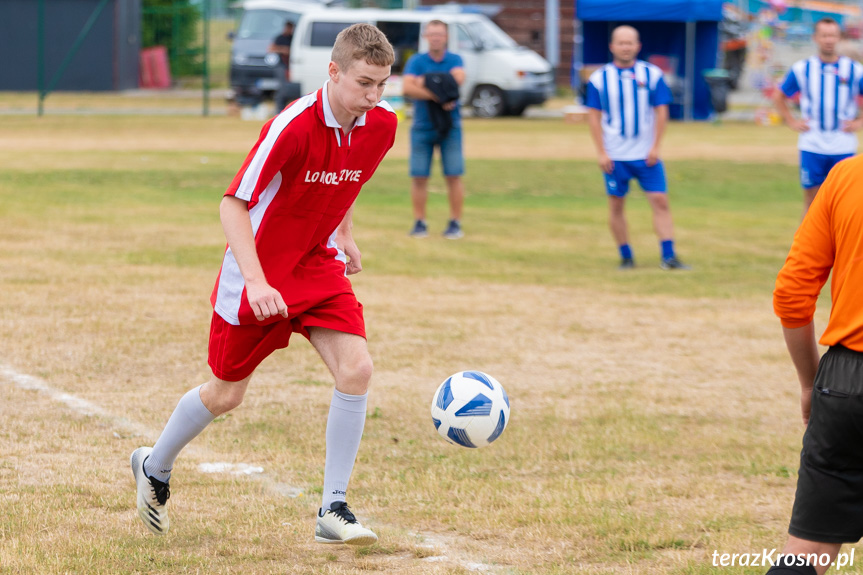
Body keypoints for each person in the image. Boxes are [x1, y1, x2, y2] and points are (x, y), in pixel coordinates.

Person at [130, 23, 398, 547]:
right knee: (226, 394)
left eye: (383, 84)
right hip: (258, 276)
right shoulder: (291, 127)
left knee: (357, 369)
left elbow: (351, 180)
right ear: (334, 71)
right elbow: (233, 204)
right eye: (364, 82)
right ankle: (154, 465)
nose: (373, 96)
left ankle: (333, 508)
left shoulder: (381, 125)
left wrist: (344, 235)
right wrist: (254, 281)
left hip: (317, 267)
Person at [769, 154, 863, 575]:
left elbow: (792, 292)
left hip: (846, 381)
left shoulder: (847, 175)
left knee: (806, 550)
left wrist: (811, 382)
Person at [585, 25, 689, 270]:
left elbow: (661, 111)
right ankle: (626, 256)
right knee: (617, 204)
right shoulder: (599, 79)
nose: (625, 47)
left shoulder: (652, 75)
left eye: (630, 42)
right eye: (621, 43)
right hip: (615, 155)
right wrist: (601, 151)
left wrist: (655, 146)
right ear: (612, 46)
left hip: (645, 155)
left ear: (638, 46)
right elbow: (593, 116)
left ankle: (668, 256)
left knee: (660, 201)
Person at [773, 17, 863, 218]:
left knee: (844, 202)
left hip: (843, 144)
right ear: (816, 38)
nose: (828, 40)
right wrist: (791, 120)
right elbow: (779, 96)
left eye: (832, 35)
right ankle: (809, 248)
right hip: (812, 143)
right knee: (812, 202)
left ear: (839, 38)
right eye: (824, 35)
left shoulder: (854, 69)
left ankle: (840, 248)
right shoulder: (802, 68)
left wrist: (859, 121)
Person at [403, 19, 466, 240]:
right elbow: (408, 87)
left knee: (454, 175)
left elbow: (457, 80)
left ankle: (455, 223)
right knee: (419, 176)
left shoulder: (455, 59)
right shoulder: (416, 60)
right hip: (422, 126)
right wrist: (440, 94)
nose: (436, 38)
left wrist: (425, 82)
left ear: (446, 36)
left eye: (439, 34)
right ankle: (420, 222)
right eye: (432, 34)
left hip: (451, 126)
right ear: (426, 37)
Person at [269, 21, 298, 111]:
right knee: (282, 88)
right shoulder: (280, 38)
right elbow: (271, 48)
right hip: (282, 65)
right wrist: (283, 50)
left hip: (292, 65)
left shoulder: (293, 38)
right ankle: (279, 109)